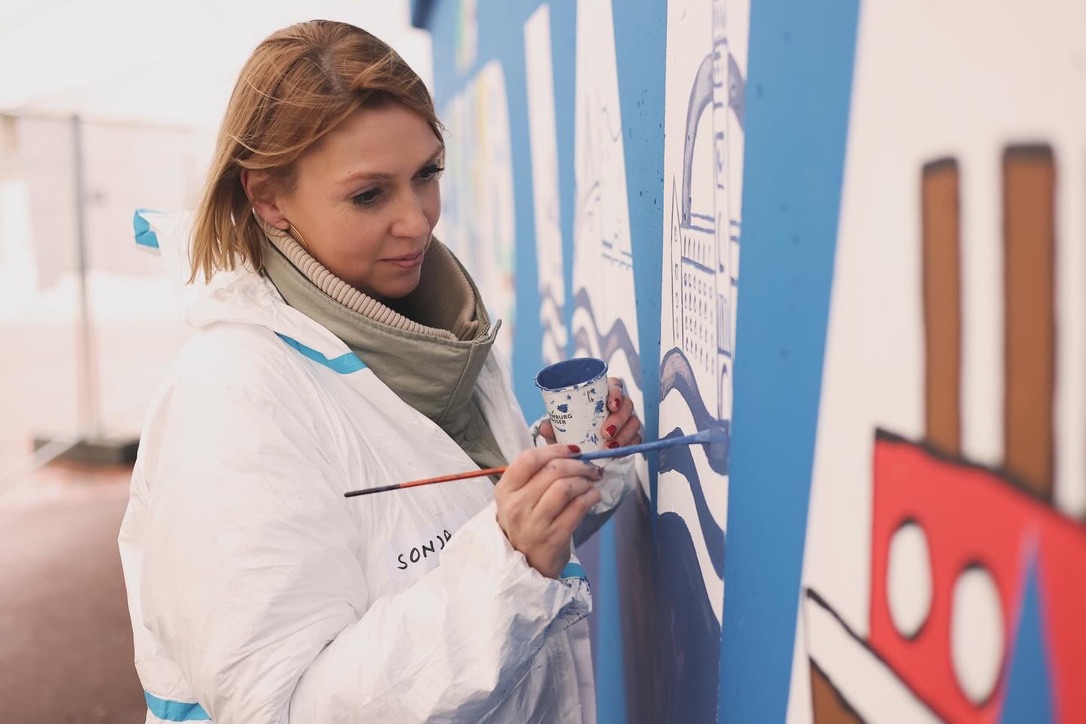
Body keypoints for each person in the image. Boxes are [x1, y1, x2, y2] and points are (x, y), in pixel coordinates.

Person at [118, 19, 642, 724]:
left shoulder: (427, 332)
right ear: (269, 198)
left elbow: (442, 539)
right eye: (369, 195)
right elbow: (283, 709)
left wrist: (567, 477)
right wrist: (509, 567)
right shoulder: (229, 400)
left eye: (427, 174)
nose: (417, 221)